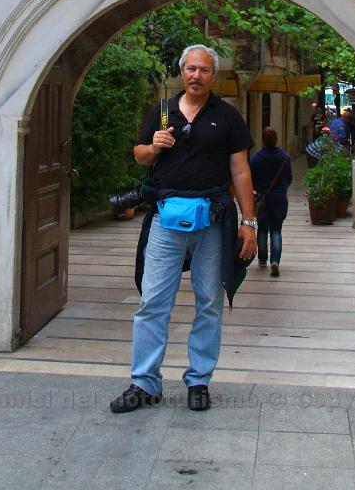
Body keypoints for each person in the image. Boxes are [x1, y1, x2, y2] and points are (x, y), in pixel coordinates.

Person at [110, 44, 256, 415]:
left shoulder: (227, 117)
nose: (196, 75)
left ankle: (199, 380)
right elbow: (139, 155)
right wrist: (154, 146)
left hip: (213, 222)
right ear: (182, 72)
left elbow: (240, 171)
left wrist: (249, 223)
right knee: (152, 302)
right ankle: (144, 383)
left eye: (204, 70)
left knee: (209, 302)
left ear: (213, 76)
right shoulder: (162, 111)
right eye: (191, 69)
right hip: (165, 220)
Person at [250, 127, 293, 277]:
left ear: (262, 141)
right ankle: (275, 261)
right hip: (279, 200)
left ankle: (262, 260)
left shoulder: (255, 158)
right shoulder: (285, 158)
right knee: (276, 230)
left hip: (262, 200)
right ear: (276, 140)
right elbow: (289, 179)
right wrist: (281, 189)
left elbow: (251, 180)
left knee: (262, 230)